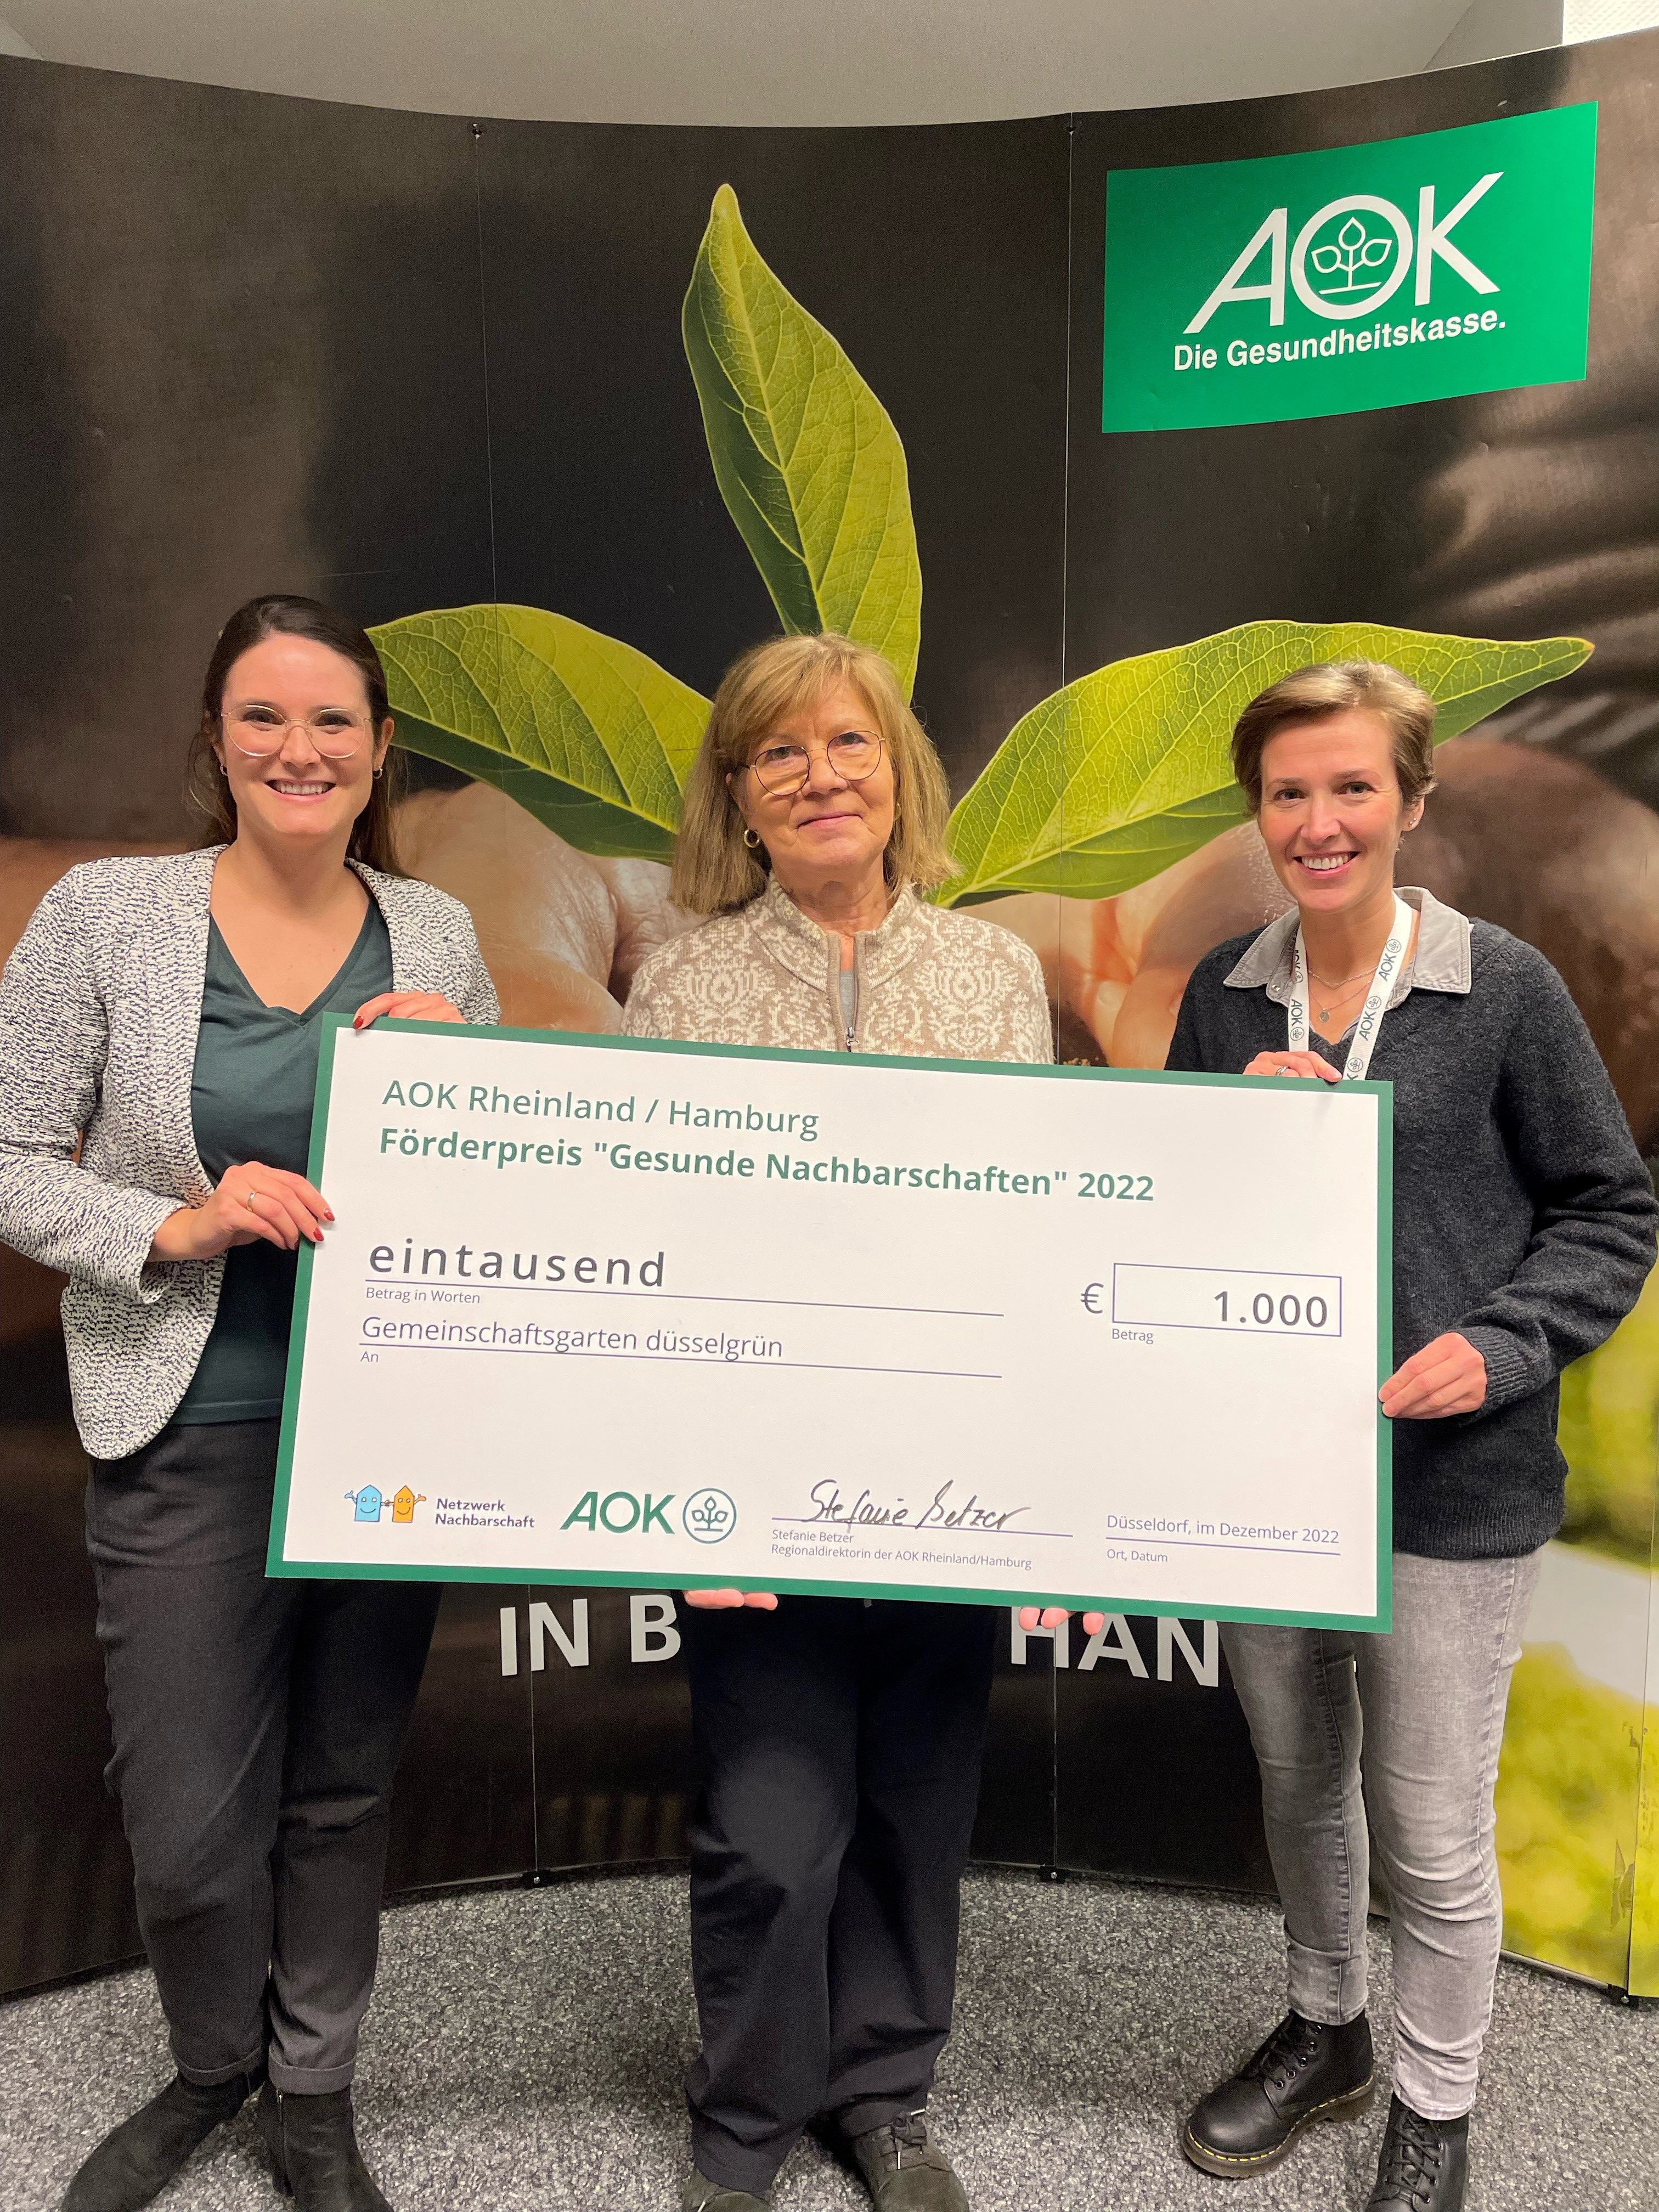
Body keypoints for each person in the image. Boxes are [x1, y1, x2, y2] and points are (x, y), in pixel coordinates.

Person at [0, 596, 499, 2212]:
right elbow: (9, 1156)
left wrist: (471, 1083)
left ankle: (314, 2094)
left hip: (383, 1426)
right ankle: (214, 2061)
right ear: (216, 740)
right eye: (265, 717)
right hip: (187, 1415)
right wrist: (176, 1226)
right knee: (187, 1818)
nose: (301, 748)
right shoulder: (107, 914)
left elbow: (505, 1188)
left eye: (334, 719)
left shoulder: (438, 935)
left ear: (380, 748)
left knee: (344, 1785)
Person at [1158, 662, 1656, 2212]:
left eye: (1353, 787)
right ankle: (1328, 2030)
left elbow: (1609, 1209)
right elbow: (1164, 1216)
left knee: (1431, 1829)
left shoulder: (1503, 987)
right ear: (1258, 813)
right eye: (1289, 793)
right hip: (1270, 1478)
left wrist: (1500, 1347)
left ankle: (1437, 2107)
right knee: (1298, 1777)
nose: (1320, 822)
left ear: (1412, 802)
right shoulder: (1222, 994)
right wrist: (1228, 1141)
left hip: (1451, 1484)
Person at [621, 631, 1052, 2212]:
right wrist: (680, 1491)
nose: (820, 777)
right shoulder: (682, 983)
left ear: (900, 770)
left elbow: (1037, 1239)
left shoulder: (997, 976)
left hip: (948, 1473)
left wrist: (1050, 1487)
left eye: (850, 743)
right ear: (738, 794)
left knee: (917, 1803)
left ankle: (883, 2095)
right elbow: (653, 1252)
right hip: (754, 1485)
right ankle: (745, 2114)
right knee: (771, 1825)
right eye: (780, 753)